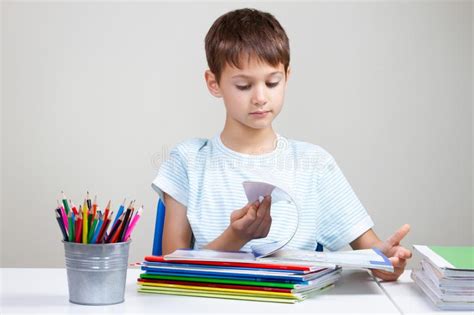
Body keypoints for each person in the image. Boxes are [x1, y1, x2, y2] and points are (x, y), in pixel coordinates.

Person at [152, 8, 411, 281]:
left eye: (272, 82)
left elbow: (372, 253)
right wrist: (235, 238)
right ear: (214, 83)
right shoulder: (189, 160)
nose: (260, 97)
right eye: (243, 86)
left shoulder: (314, 164)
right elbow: (172, 266)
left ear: (287, 76)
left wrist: (384, 260)